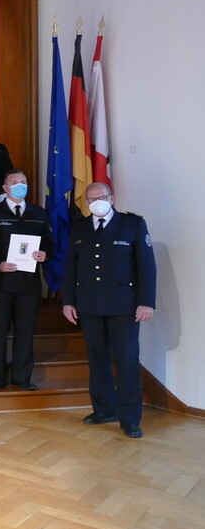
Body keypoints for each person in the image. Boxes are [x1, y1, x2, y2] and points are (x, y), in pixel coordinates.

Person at [62, 182, 156, 439]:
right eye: (91, 200)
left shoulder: (132, 224)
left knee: (126, 361)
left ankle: (130, 418)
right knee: (97, 359)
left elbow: (146, 266)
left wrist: (146, 302)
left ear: (111, 198)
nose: (96, 203)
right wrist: (68, 301)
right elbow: (71, 266)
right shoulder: (79, 227)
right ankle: (104, 409)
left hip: (123, 305)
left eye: (100, 197)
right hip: (89, 304)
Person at [0, 170, 54, 390]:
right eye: (14, 182)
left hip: (29, 284)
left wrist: (45, 254)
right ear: (4, 188)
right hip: (1, 283)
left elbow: (49, 243)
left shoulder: (39, 213)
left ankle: (22, 377)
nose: (19, 186)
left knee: (25, 332)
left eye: (23, 182)